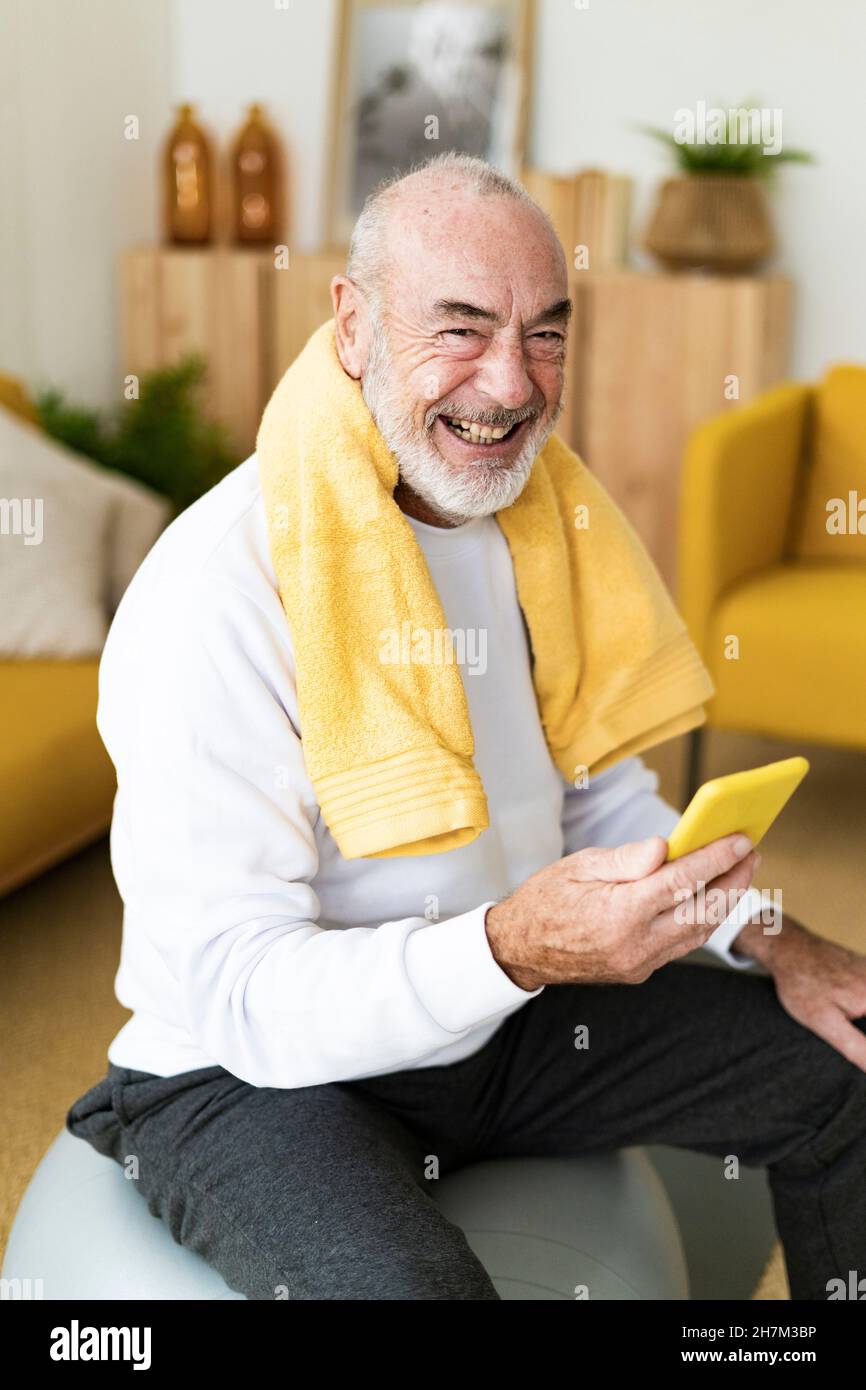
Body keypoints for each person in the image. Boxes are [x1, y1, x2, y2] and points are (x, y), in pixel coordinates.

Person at [68, 154, 866, 1301]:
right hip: (249, 1077)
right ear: (352, 326)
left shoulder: (535, 523)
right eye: (460, 327)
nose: (510, 384)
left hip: (501, 1021)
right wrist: (509, 948)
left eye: (545, 333)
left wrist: (765, 935)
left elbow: (592, 795)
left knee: (840, 1070)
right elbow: (239, 991)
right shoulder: (215, 589)